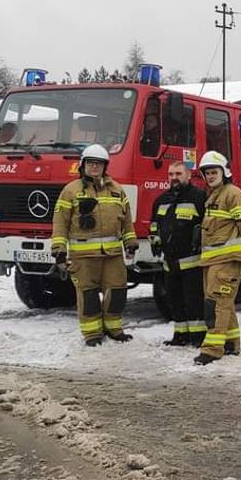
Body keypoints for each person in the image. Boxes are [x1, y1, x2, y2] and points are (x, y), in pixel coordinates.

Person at [51, 144, 138, 346]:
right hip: (84, 256)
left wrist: (130, 241)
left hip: (113, 254)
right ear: (83, 165)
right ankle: (92, 334)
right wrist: (59, 250)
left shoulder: (117, 190)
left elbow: (126, 220)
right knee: (88, 296)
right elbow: (60, 222)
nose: (95, 167)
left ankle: (114, 329)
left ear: (105, 166)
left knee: (117, 291)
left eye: (99, 164)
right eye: (91, 163)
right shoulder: (71, 191)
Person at [194, 150, 241, 366]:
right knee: (223, 303)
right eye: (207, 173)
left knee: (216, 304)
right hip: (213, 259)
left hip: (227, 259)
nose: (210, 176)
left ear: (224, 172)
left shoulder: (233, 193)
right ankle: (230, 343)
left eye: (214, 172)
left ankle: (212, 349)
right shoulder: (213, 196)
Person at [151, 160, 208, 346]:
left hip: (192, 262)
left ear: (188, 175)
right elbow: (154, 224)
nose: (174, 178)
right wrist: (155, 239)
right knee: (174, 301)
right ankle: (180, 335)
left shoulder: (199, 197)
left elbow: (209, 225)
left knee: (194, 301)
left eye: (178, 174)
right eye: (171, 174)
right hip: (170, 262)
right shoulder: (161, 200)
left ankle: (198, 337)